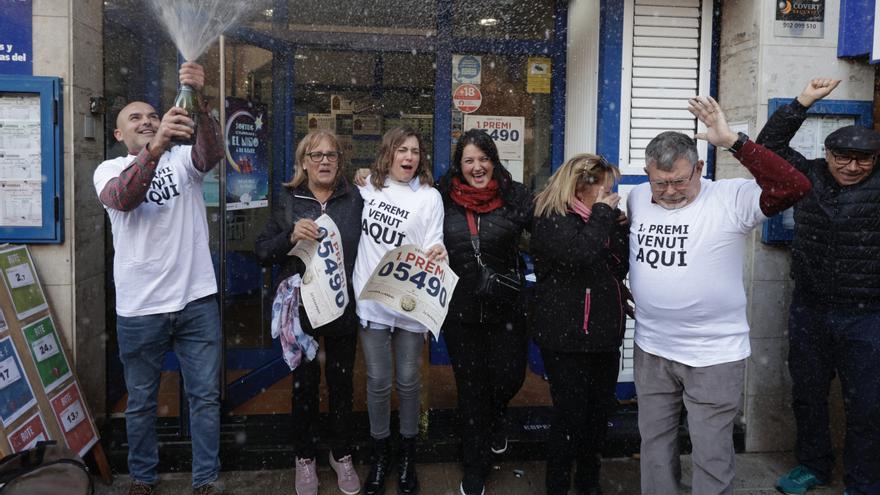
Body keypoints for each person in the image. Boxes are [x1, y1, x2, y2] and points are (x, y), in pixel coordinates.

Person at [628, 96, 812, 495]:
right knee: (655, 446)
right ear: (646, 174)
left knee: (711, 453)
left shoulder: (731, 197)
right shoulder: (637, 197)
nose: (671, 191)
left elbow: (794, 185)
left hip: (714, 352)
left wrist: (733, 141)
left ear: (698, 167)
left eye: (680, 181)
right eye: (660, 182)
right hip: (652, 347)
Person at [93, 62, 225, 495]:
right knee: (142, 402)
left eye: (153, 115)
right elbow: (125, 199)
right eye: (136, 118)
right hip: (140, 309)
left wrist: (199, 101)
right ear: (119, 134)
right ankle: (144, 478)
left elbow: (210, 153)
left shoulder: (182, 160)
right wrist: (156, 147)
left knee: (204, 397)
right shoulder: (109, 171)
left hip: (195, 300)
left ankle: (205, 479)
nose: (147, 121)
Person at [757, 78, 880, 495]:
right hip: (809, 309)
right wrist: (804, 101)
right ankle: (813, 465)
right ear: (825, 154)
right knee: (807, 395)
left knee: (866, 406)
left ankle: (863, 481)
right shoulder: (807, 176)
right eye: (842, 157)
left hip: (868, 317)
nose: (851, 167)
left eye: (863, 160)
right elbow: (768, 147)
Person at [254, 130, 363, 495]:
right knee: (304, 386)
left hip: (342, 307)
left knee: (342, 384)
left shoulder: (355, 198)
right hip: (300, 310)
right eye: (316, 155)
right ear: (303, 162)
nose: (324, 161)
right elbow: (262, 251)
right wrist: (289, 237)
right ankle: (304, 457)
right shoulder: (288, 200)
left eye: (331, 155)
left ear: (339, 161)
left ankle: (341, 453)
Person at [437, 129, 533, 495]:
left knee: (509, 379)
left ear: (494, 160)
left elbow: (549, 227)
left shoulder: (516, 196)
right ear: (459, 167)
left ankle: (496, 417)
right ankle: (474, 467)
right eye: (469, 161)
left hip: (506, 308)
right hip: (461, 312)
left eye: (483, 159)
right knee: (471, 390)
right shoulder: (442, 199)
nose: (477, 168)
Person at [353, 126, 446, 495]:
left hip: (409, 303)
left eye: (415, 151)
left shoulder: (430, 197)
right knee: (378, 381)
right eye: (401, 150)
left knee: (408, 381)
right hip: (372, 301)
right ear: (387, 153)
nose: (409, 157)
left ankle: (407, 454)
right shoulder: (366, 188)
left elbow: (434, 242)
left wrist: (439, 252)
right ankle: (380, 452)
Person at [530, 153, 629, 495]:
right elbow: (578, 255)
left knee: (597, 417)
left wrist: (619, 228)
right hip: (566, 337)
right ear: (582, 186)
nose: (610, 192)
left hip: (604, 335)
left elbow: (618, 264)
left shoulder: (604, 219)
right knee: (570, 417)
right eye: (605, 185)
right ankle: (557, 485)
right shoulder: (551, 217)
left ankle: (588, 482)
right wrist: (602, 216)